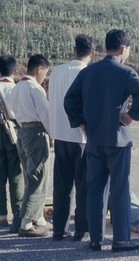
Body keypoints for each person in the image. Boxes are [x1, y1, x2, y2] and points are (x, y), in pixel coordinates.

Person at [64, 29, 139, 252]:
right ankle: (121, 240)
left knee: (95, 188)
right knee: (120, 189)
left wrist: (81, 122)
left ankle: (95, 239)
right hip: (118, 140)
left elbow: (70, 100)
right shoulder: (125, 72)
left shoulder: (88, 71)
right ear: (123, 49)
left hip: (93, 139)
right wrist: (132, 115)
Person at [49, 34, 96, 241]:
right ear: (92, 54)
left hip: (60, 134)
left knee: (62, 185)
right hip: (81, 137)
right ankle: (81, 229)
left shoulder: (57, 72)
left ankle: (59, 228)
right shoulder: (89, 73)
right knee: (83, 184)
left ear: (73, 50)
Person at [11, 54, 52, 237]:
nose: (44, 77)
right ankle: (26, 223)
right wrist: (53, 135)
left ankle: (35, 218)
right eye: (45, 73)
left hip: (21, 131)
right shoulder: (35, 88)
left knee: (30, 175)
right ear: (39, 69)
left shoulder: (17, 86)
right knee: (38, 176)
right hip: (36, 133)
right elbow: (45, 115)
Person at [0, 55, 23, 232]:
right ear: (15, 71)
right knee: (16, 174)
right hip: (13, 131)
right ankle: (17, 214)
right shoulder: (16, 89)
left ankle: (1, 216)